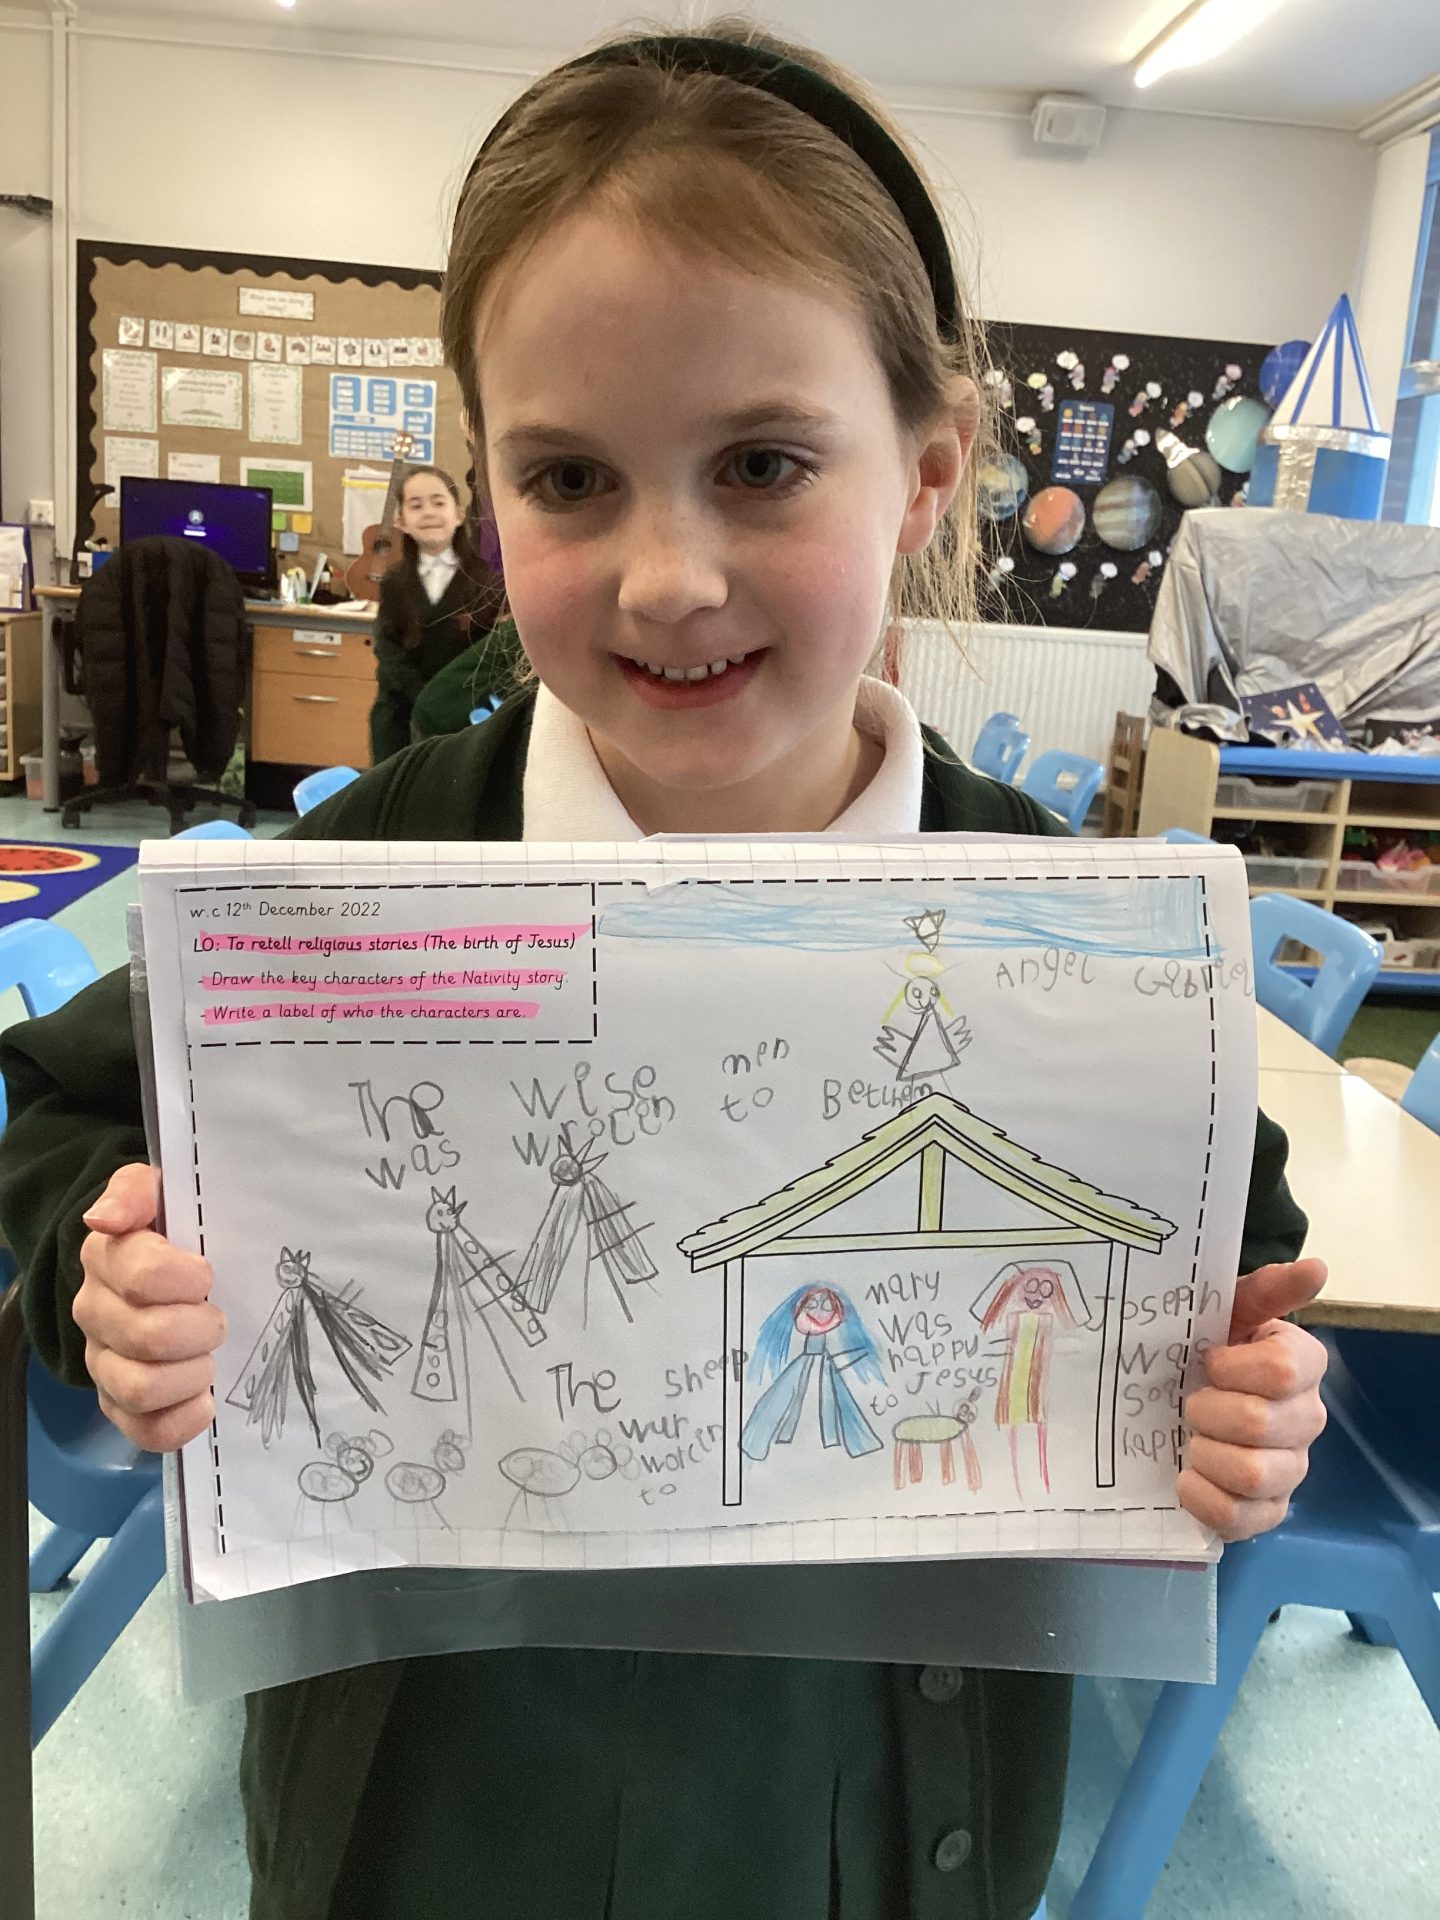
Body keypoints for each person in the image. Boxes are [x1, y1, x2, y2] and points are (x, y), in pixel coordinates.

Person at [0, 24, 1328, 1920]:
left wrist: (1252, 1404)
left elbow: (1229, 1256)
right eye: (571, 478)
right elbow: (58, 1116)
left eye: (763, 465)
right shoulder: (368, 883)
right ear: (487, 486)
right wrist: (110, 1280)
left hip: (875, 1807)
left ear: (928, 473)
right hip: (443, 1805)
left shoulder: (1076, 942)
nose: (667, 577)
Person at [366, 463, 502, 762]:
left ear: (459, 514)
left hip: (464, 714)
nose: (428, 512)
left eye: (438, 503)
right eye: (416, 505)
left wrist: (447, 702)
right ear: (401, 520)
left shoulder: (487, 582)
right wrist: (423, 699)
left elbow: (490, 652)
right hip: (401, 714)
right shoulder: (393, 582)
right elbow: (388, 649)